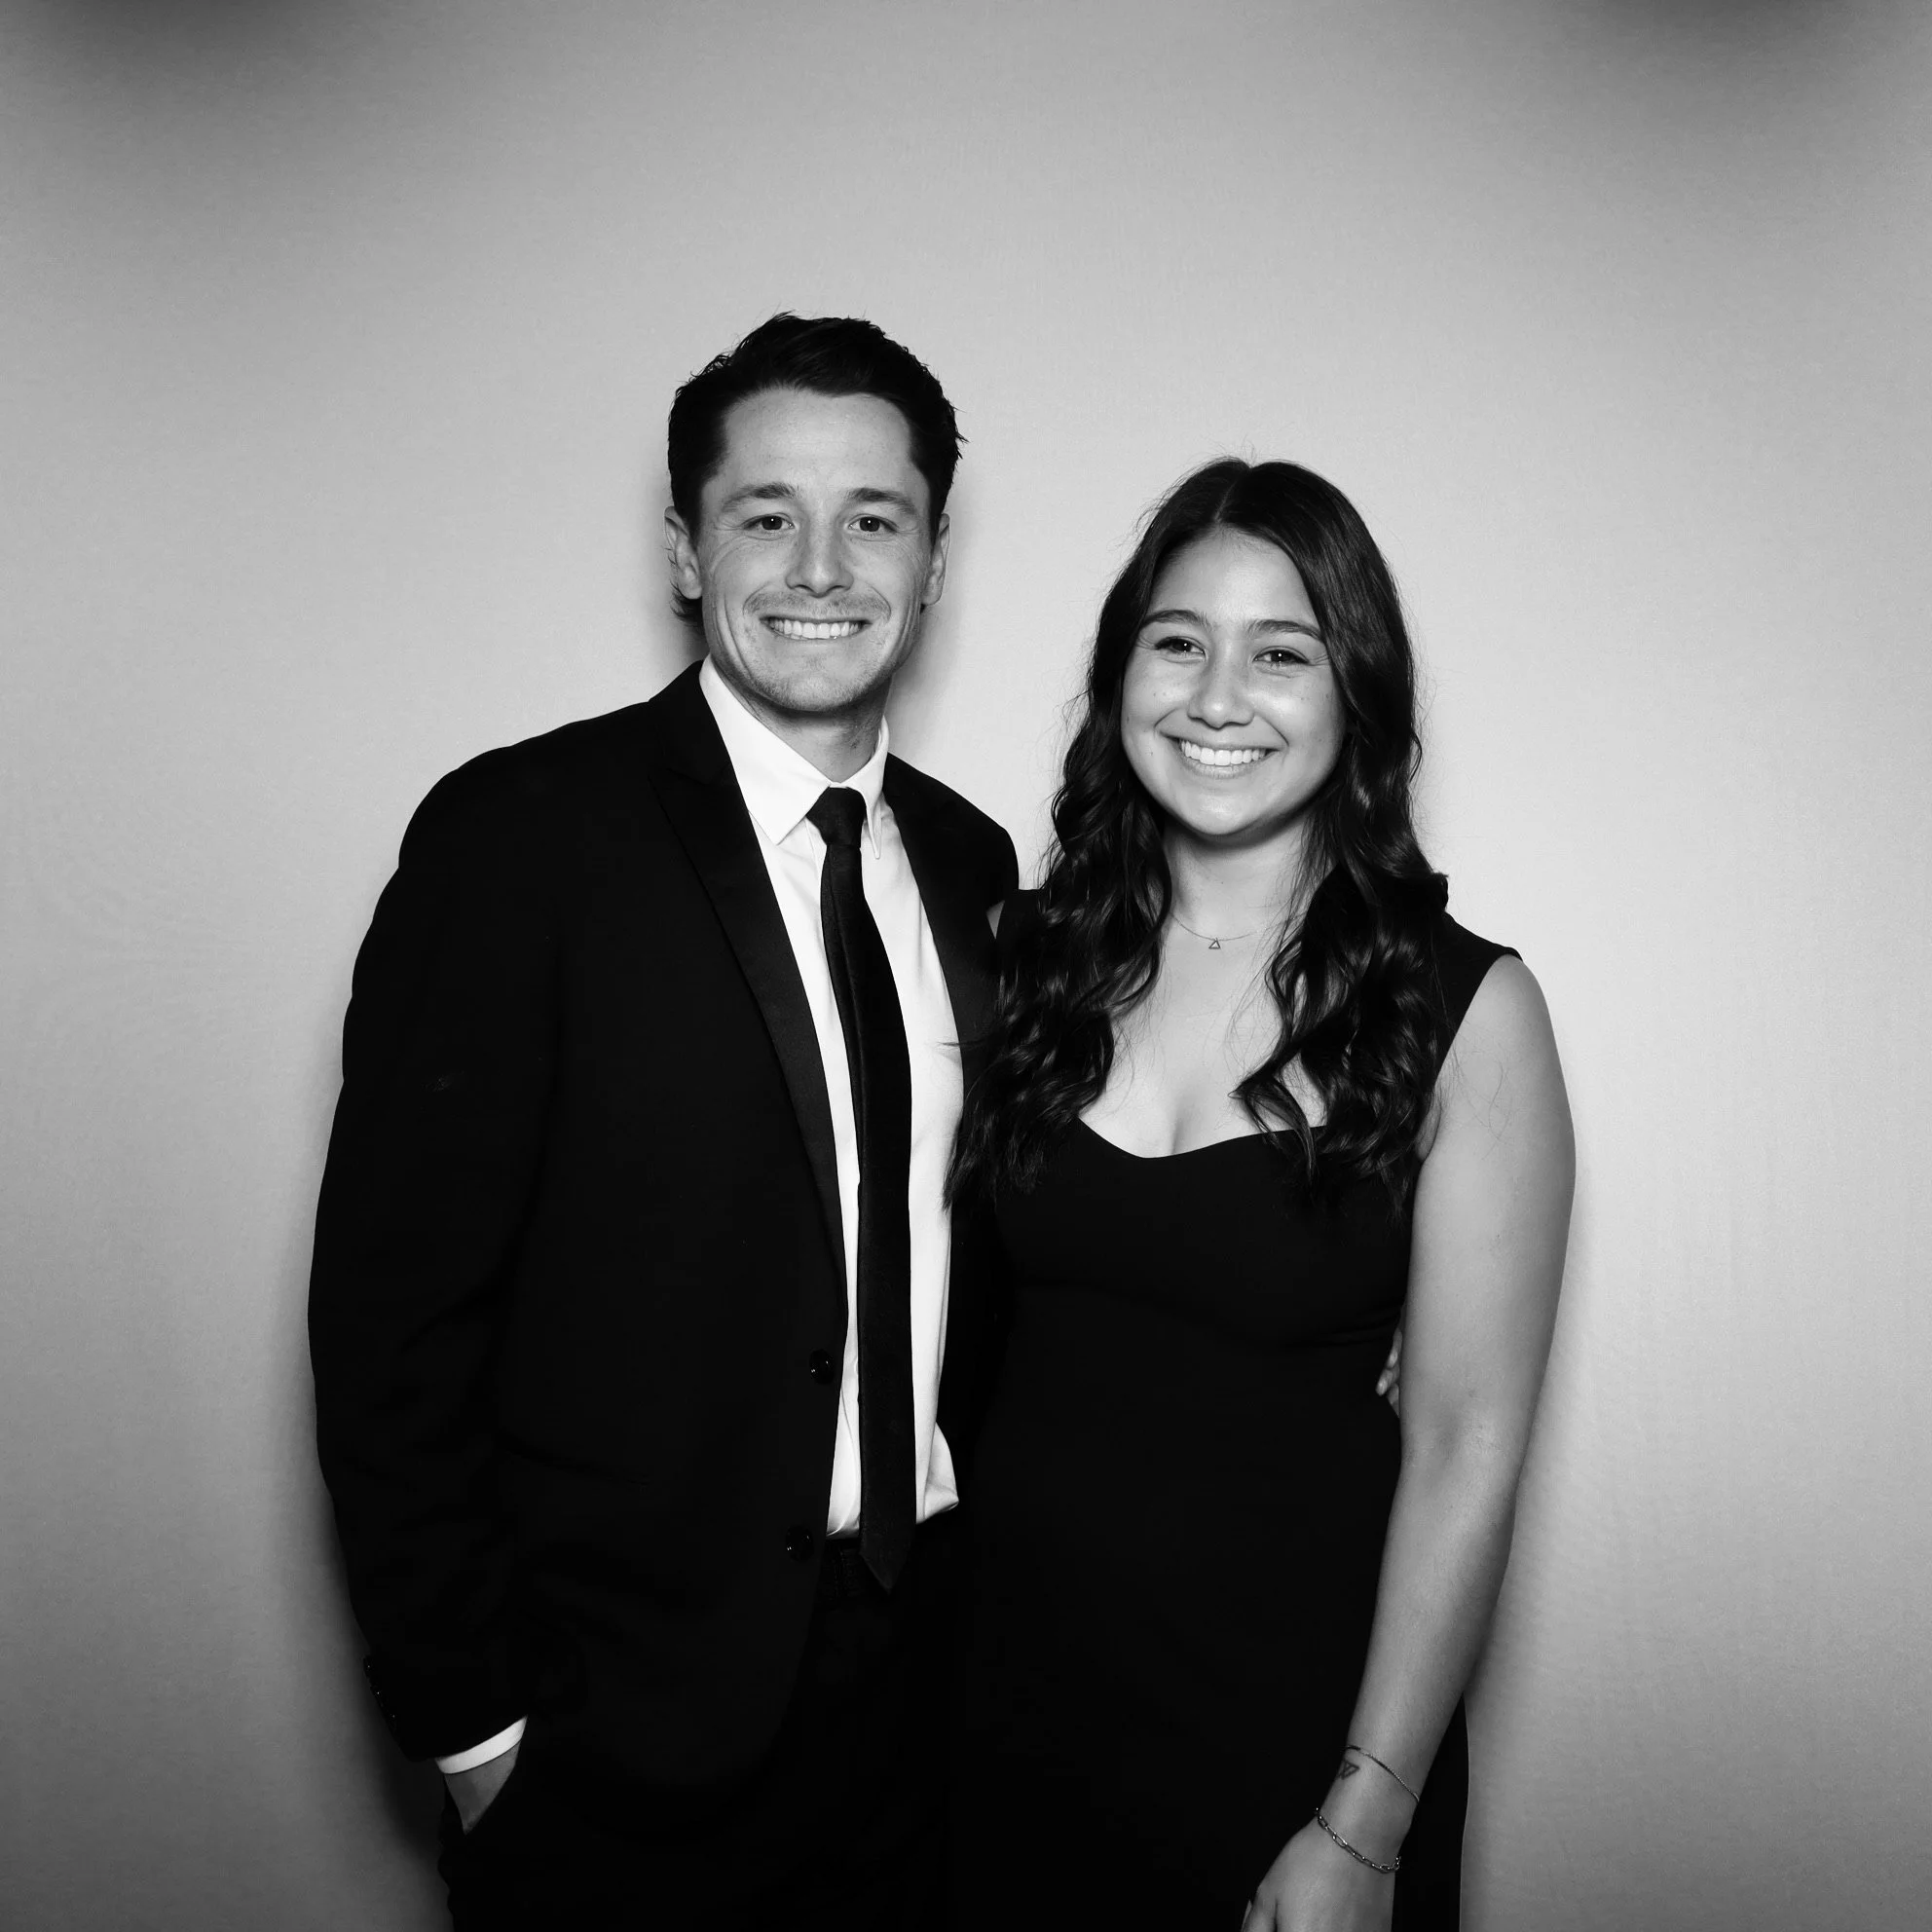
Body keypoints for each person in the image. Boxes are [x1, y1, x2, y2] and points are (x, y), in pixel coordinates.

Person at [308, 314, 1017, 1928]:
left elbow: (1014, 1244)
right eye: (767, 515)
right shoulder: (519, 843)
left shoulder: (980, 876)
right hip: (614, 1739)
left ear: (935, 555)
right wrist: (478, 1734)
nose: (821, 565)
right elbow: (391, 1324)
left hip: (925, 1705)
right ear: (689, 551)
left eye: (874, 519)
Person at [946, 459, 1574, 1929]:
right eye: (1178, 641)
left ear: (1355, 694)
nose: (1218, 695)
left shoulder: (1463, 1013)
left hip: (1292, 1755)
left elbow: (1468, 1444)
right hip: (986, 1723)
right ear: (1119, 681)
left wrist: (1363, 1824)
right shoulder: (1013, 965)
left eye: (1281, 653)